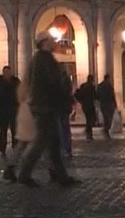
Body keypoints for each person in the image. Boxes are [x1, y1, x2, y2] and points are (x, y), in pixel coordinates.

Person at [11, 32, 78, 187]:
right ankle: (24, 174)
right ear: (44, 42)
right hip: (44, 106)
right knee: (40, 142)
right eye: (52, 40)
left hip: (46, 105)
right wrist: (63, 92)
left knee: (54, 143)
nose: (55, 42)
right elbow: (52, 83)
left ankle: (61, 176)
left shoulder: (41, 58)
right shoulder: (43, 59)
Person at [0, 66, 20, 155]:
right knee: (3, 129)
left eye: (9, 72)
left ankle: (15, 146)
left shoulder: (15, 81)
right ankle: (2, 147)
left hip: (13, 108)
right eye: (6, 72)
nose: (7, 74)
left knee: (14, 128)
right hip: (3, 108)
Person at [73, 74, 98, 140]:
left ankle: (88, 132)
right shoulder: (91, 87)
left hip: (85, 105)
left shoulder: (83, 86)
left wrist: (81, 101)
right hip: (90, 105)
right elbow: (95, 96)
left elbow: (77, 94)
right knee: (90, 119)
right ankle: (89, 133)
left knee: (88, 119)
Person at [97, 74, 118, 139]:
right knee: (109, 118)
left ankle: (106, 129)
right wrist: (115, 104)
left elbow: (97, 95)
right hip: (109, 104)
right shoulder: (109, 86)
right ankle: (106, 129)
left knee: (106, 117)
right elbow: (112, 95)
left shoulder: (100, 86)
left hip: (103, 104)